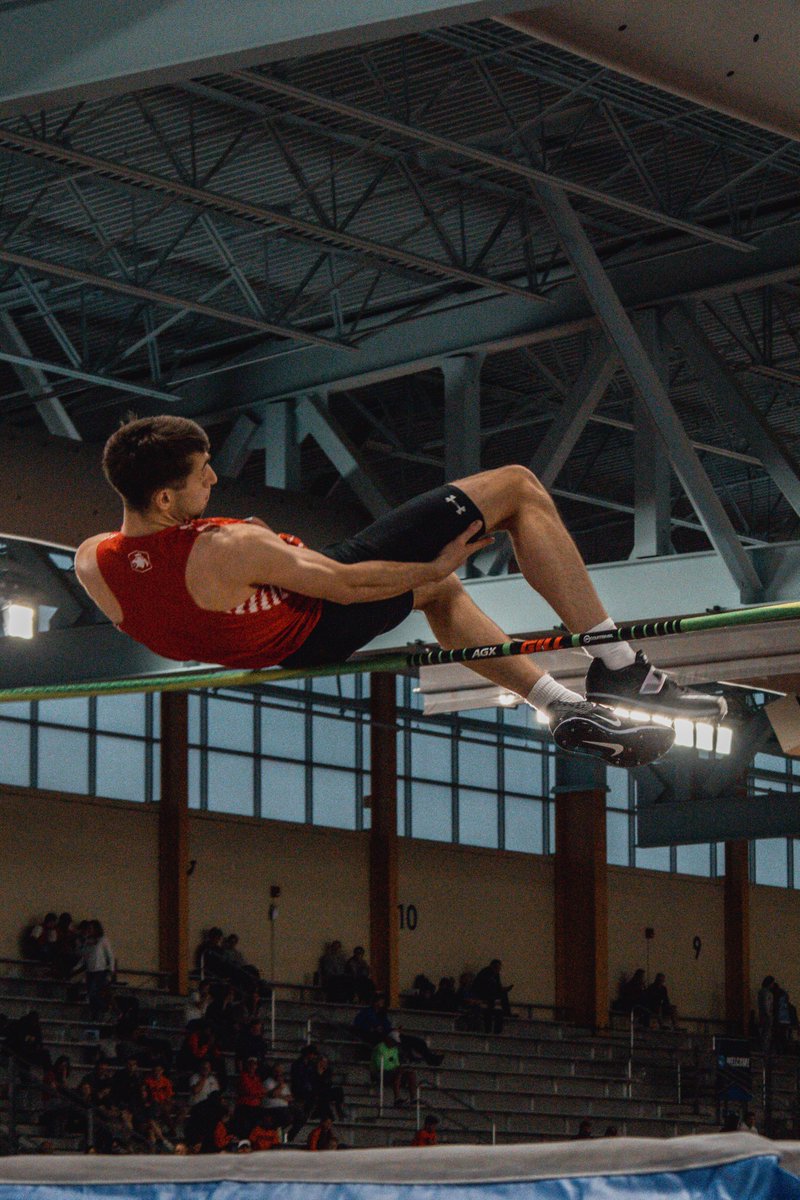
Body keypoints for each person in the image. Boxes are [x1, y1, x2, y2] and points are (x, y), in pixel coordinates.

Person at [76, 417, 727, 772]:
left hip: (274, 641)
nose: (215, 477)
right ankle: (621, 669)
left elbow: (167, 616)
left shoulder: (94, 563)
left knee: (443, 597)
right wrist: (428, 564)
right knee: (518, 489)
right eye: (201, 475)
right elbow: (348, 584)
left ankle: (563, 707)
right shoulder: (223, 551)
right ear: (165, 498)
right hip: (319, 614)